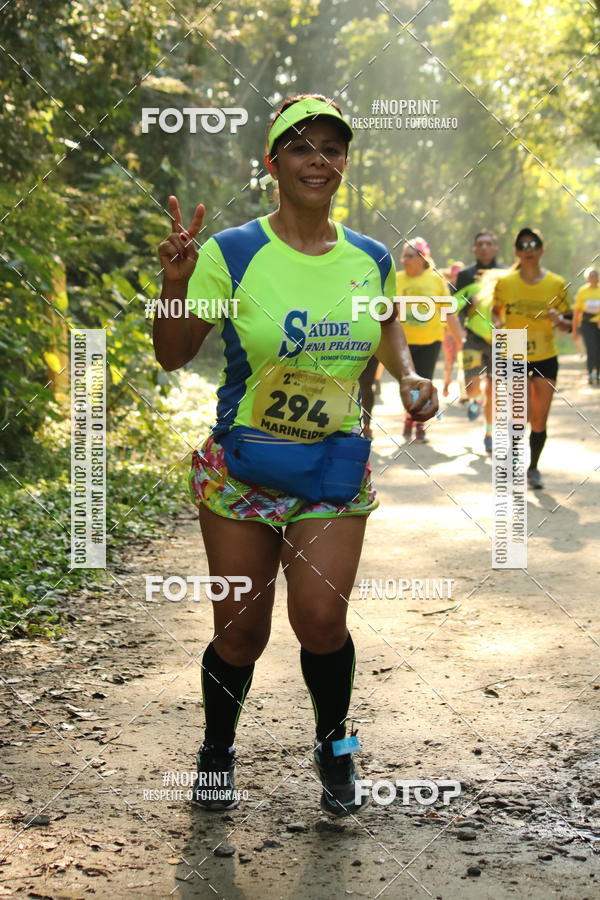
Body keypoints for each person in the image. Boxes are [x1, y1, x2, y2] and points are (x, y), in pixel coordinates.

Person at [153, 93, 438, 817]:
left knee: (320, 622)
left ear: (344, 162)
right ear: (273, 163)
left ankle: (335, 742)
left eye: (332, 149)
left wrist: (408, 377)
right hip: (245, 464)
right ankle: (218, 750)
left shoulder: (370, 257)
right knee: (241, 632)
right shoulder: (233, 252)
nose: (320, 161)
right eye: (303, 148)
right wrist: (177, 282)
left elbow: (387, 327)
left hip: (331, 467)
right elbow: (172, 355)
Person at [493, 228, 570, 490]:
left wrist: (560, 321)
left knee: (539, 417)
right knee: (519, 412)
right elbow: (495, 313)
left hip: (546, 354)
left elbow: (569, 323)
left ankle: (533, 468)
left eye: (533, 244)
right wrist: (497, 325)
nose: (528, 249)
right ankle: (514, 461)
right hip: (515, 349)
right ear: (516, 251)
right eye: (523, 245)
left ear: (541, 250)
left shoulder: (557, 284)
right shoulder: (505, 283)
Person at [396, 238, 464, 442]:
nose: (403, 260)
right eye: (403, 255)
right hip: (402, 341)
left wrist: (460, 338)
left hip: (430, 340)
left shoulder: (435, 280)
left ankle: (419, 423)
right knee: (407, 383)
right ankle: (410, 415)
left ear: (421, 257)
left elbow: (448, 310)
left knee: (424, 380)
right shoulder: (396, 280)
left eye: (409, 255)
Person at [454, 268, 505, 453]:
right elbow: (452, 305)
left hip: (500, 340)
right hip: (473, 338)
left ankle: (489, 434)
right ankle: (475, 399)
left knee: (493, 390)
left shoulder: (506, 289)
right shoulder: (472, 289)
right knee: (472, 387)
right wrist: (468, 304)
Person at [572, 267, 600, 385]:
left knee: (598, 349)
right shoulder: (583, 291)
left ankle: (597, 374)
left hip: (598, 323)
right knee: (591, 348)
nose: (593, 278)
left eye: (595, 276)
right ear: (587, 278)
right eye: (591, 276)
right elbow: (577, 312)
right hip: (587, 324)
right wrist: (574, 329)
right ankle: (590, 373)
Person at [441, 262, 464, 397]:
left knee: (463, 361)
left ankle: (463, 391)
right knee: (449, 360)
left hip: (462, 330)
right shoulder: (447, 289)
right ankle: (446, 384)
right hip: (448, 330)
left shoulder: (465, 289)